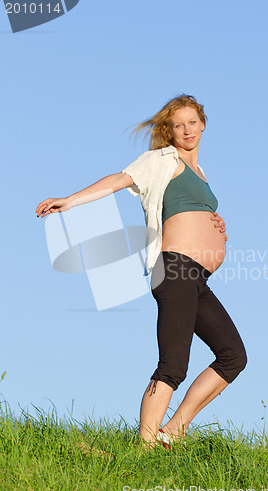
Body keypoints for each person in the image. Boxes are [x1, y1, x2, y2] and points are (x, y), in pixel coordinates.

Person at [36, 94, 247, 449]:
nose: (186, 129)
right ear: (169, 130)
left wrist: (215, 226)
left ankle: (174, 430)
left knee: (233, 355)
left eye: (192, 122)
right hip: (175, 270)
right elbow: (118, 180)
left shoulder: (201, 174)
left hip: (199, 279)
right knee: (172, 366)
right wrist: (69, 201)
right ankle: (145, 446)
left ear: (203, 124)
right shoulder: (161, 160)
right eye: (178, 124)